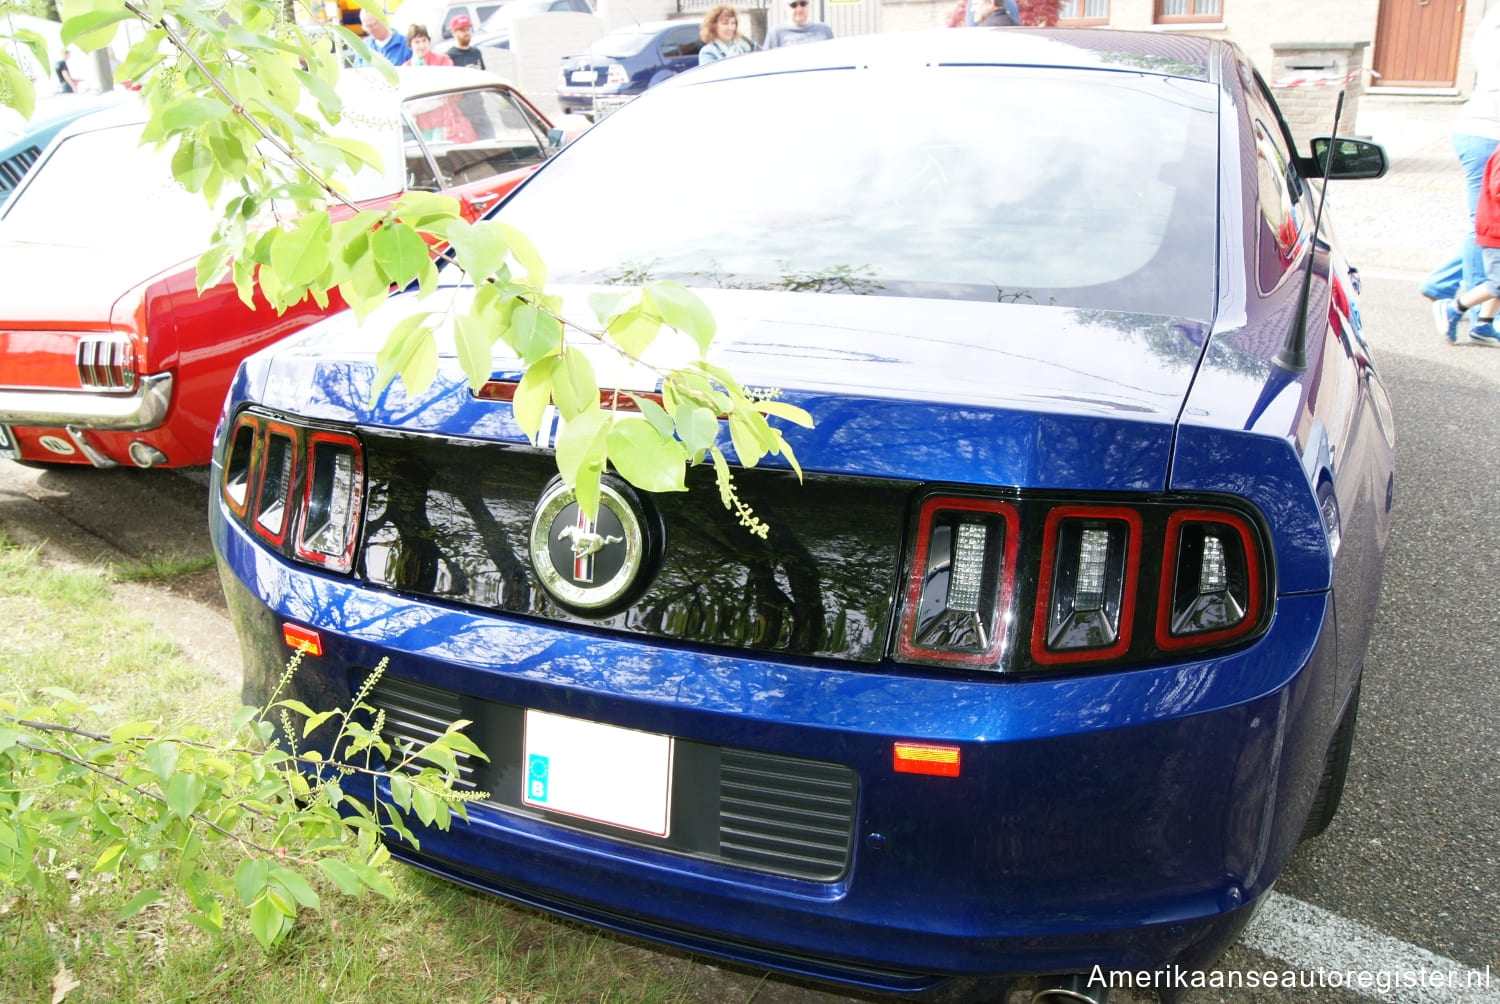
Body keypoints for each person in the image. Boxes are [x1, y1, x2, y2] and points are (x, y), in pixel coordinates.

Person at [1422, 3, 1500, 336]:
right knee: (1487, 226)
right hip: (1488, 133)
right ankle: (1472, 306)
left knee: (1484, 225)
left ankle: (1445, 287)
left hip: (1479, 130)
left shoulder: (1488, 25)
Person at [1438, 143, 1500, 347]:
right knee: (1498, 283)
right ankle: (1453, 308)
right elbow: (1497, 187)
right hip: (1495, 228)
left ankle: (1483, 325)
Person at [763, 0, 832, 49]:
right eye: (793, 5)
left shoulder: (824, 30)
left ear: (809, 4)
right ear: (785, 7)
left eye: (803, 3)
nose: (799, 9)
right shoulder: (775, 34)